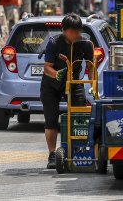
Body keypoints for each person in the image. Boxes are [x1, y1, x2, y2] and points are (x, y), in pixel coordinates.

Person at [40, 13, 94, 169]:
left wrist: (92, 85)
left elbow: (90, 67)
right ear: (64, 30)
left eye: (78, 31)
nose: (75, 35)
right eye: (72, 31)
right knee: (51, 119)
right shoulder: (53, 43)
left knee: (80, 115)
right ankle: (52, 154)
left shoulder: (86, 44)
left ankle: (79, 149)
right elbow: (46, 67)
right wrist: (57, 74)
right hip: (52, 84)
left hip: (74, 82)